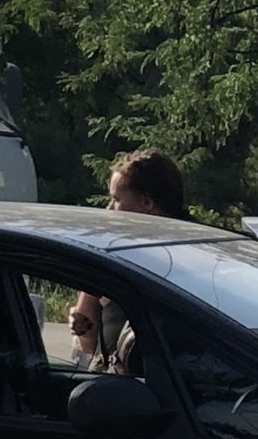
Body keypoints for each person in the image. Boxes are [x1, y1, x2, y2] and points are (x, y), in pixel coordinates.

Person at [70, 148, 190, 366]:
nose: (109, 210)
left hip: (134, 388)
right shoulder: (206, 249)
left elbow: (87, 339)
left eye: (116, 200)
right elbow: (85, 331)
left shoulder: (122, 257)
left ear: (146, 203)